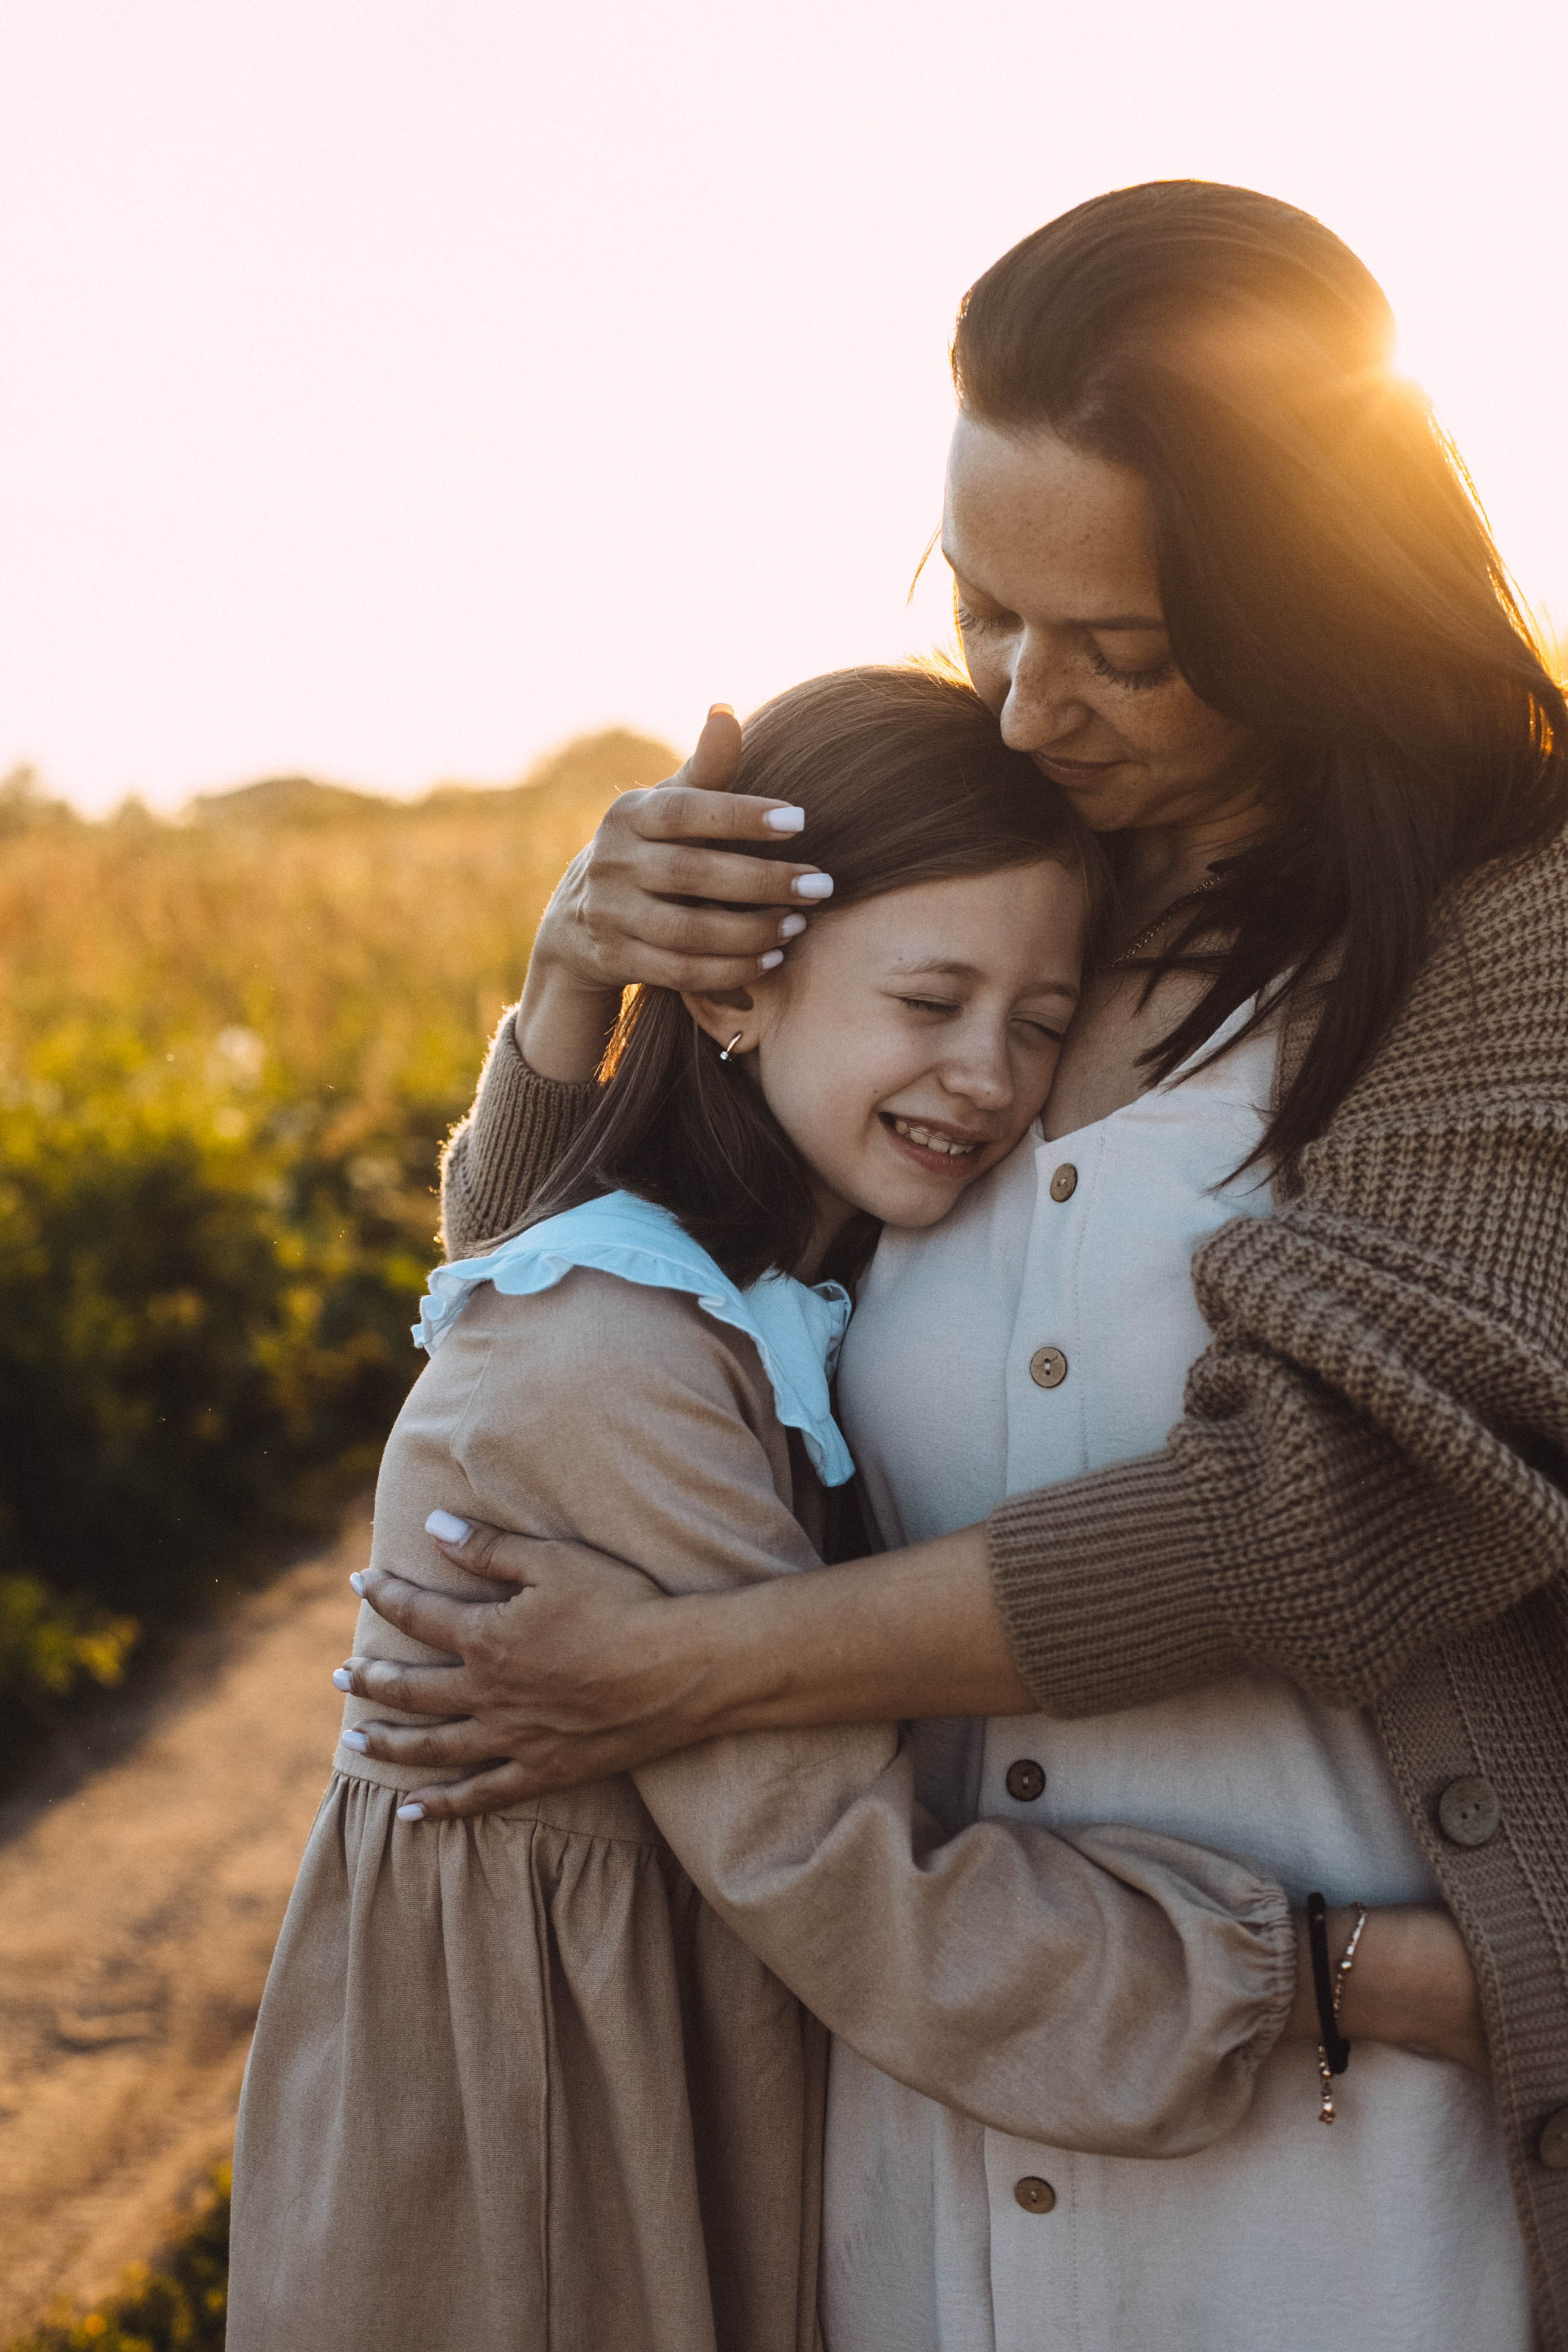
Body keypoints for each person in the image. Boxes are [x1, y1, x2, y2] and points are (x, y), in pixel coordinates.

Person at [339, 182, 1568, 2348]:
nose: (1023, 708)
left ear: (1311, 614)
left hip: (1354, 2130)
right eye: (987, 609)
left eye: (1129, 653)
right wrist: (577, 1001)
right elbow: (614, 1309)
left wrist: (699, 1671)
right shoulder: (993, 876)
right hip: (923, 2128)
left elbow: (1330, 1514)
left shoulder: (1503, 926)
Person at [232, 664, 1390, 2352]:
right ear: (732, 996)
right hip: (539, 2160)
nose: (989, 1076)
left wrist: (569, 1003)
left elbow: (521, 1214)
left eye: (1041, 1022)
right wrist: (1325, 1976)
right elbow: (864, 1889)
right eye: (929, 1003)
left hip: (664, 2071)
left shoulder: (763, 1286)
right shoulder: (617, 1365)